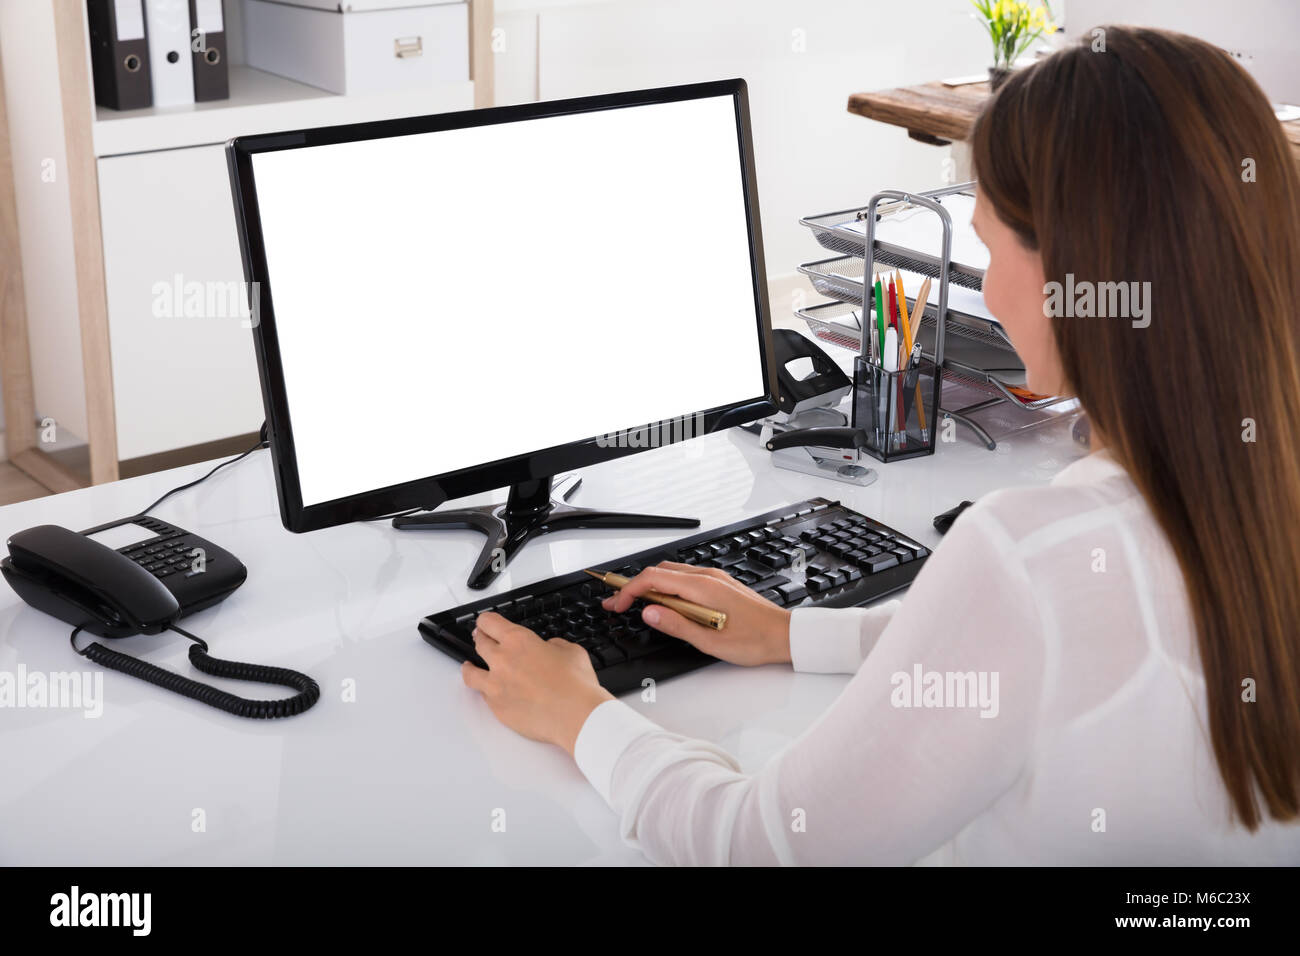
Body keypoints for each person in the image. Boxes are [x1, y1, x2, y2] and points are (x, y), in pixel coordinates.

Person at [460, 25, 1300, 864]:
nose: (987, 286)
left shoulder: (1029, 555)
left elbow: (763, 845)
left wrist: (581, 716)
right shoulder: (1247, 487)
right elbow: (1030, 655)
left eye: (988, 242)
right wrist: (795, 633)